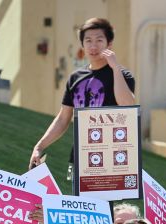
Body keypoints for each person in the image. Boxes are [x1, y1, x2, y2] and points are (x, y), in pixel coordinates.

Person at [29, 17, 135, 173]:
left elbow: (128, 107)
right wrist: (39, 147)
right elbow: (63, 118)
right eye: (88, 41)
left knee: (104, 199)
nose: (93, 46)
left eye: (99, 40)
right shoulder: (75, 78)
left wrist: (115, 68)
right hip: (80, 156)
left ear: (109, 44)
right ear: (82, 45)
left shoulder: (122, 75)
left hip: (112, 156)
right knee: (77, 198)